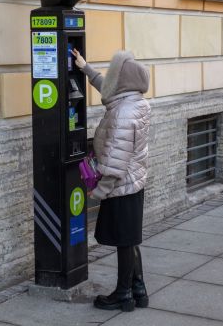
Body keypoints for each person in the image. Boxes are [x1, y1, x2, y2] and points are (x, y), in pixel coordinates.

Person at [71, 48, 150, 312]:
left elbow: (115, 163)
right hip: (133, 183)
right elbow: (108, 91)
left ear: (122, 80)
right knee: (130, 239)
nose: (111, 78)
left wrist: (99, 191)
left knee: (123, 240)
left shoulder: (122, 114)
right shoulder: (133, 102)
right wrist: (86, 69)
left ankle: (123, 294)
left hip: (120, 185)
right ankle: (138, 290)